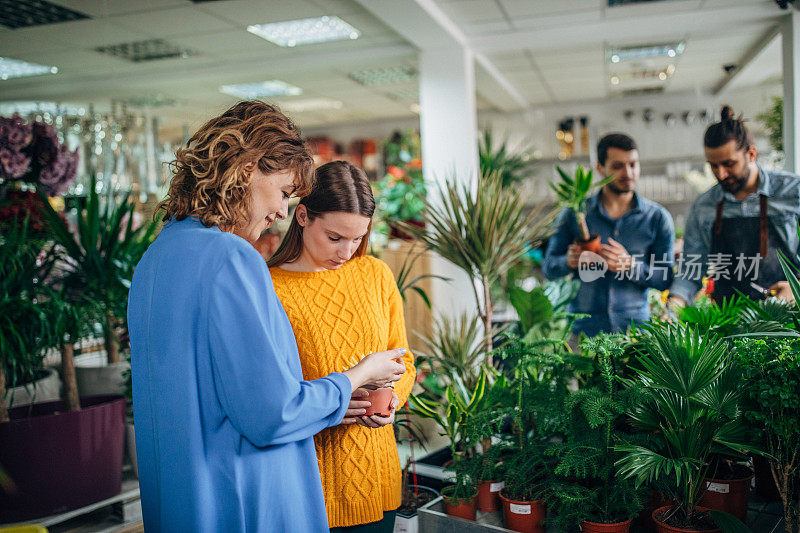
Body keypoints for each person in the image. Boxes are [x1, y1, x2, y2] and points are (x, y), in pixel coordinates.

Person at [127, 101, 407, 533]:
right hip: (244, 500)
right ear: (246, 170)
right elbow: (274, 413)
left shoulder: (155, 258)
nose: (280, 212)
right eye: (283, 192)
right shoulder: (232, 258)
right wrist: (357, 376)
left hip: (182, 502)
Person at [268, 161, 416, 532]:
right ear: (302, 216)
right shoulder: (269, 288)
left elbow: (404, 358)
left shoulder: (375, 274)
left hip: (378, 477)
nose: (347, 250)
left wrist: (393, 398)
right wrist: (329, 401)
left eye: (357, 238)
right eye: (335, 237)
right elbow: (270, 395)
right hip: (310, 486)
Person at [543, 133, 675, 337]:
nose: (628, 172)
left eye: (633, 164)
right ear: (599, 168)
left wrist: (630, 266)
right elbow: (549, 268)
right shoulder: (574, 213)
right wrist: (568, 261)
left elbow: (665, 278)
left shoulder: (657, 218)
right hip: (584, 333)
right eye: (617, 166)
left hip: (636, 336)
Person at [669, 105, 800, 308]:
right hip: (729, 322)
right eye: (713, 165)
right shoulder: (704, 207)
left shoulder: (793, 192)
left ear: (751, 154)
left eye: (729, 164)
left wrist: (796, 286)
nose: (721, 174)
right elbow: (691, 271)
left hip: (788, 320)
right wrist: (673, 309)